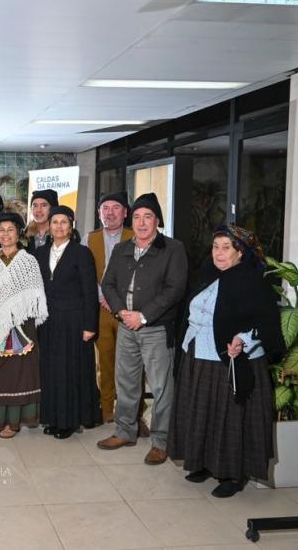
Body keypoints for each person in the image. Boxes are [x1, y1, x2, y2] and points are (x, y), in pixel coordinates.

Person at [168, 225, 283, 498]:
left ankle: (231, 474)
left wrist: (243, 339)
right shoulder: (206, 275)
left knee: (228, 417)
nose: (218, 253)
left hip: (230, 359)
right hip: (198, 354)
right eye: (215, 247)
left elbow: (266, 324)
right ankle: (202, 463)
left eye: (226, 248)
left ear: (240, 252)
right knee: (201, 411)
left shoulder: (254, 281)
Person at [98, 193, 188, 465]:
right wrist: (120, 312)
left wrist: (144, 316)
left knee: (161, 387)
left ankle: (161, 441)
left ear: (157, 221)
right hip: (126, 326)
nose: (141, 222)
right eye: (137, 217)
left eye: (147, 216)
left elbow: (175, 289)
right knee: (125, 382)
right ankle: (125, 431)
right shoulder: (121, 248)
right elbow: (108, 284)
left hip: (157, 329)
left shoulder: (173, 249)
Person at [0, 211, 47, 438]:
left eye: (10, 230)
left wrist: (13, 313)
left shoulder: (28, 261)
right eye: (1, 230)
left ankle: (12, 423)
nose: (6, 234)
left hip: (19, 325)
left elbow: (35, 295)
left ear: (18, 234)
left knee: (17, 374)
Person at [35, 205, 101, 439]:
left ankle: (69, 421)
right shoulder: (40, 253)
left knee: (70, 371)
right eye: (55, 222)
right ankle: (52, 418)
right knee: (50, 370)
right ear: (49, 227)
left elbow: (90, 292)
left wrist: (90, 325)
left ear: (71, 226)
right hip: (47, 322)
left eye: (64, 222)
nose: (59, 226)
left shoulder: (81, 253)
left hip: (74, 322)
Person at [86, 192, 148, 432]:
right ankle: (106, 409)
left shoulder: (137, 237)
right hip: (100, 309)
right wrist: (103, 297)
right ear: (99, 213)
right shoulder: (88, 239)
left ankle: (136, 413)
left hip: (130, 310)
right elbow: (85, 273)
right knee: (104, 361)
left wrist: (118, 302)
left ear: (125, 212)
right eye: (105, 208)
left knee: (133, 362)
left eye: (115, 208)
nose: (109, 212)